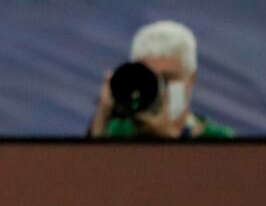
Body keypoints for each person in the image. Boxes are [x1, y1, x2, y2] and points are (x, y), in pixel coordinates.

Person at [89, 20, 235, 139]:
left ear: (191, 79)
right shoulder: (115, 131)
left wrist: (169, 135)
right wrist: (102, 115)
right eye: (149, 79)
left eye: (167, 79)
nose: (158, 89)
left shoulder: (219, 140)